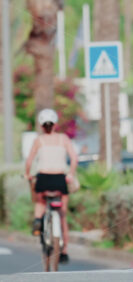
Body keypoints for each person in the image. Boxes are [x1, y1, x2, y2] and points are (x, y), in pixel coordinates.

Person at [25, 108, 78, 264]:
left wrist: (28, 174)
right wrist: (71, 174)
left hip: (43, 177)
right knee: (62, 216)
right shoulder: (64, 139)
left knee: (40, 202)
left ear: (41, 125)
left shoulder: (39, 140)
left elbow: (29, 162)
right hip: (60, 179)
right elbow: (74, 159)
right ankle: (65, 250)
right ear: (55, 124)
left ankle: (37, 219)